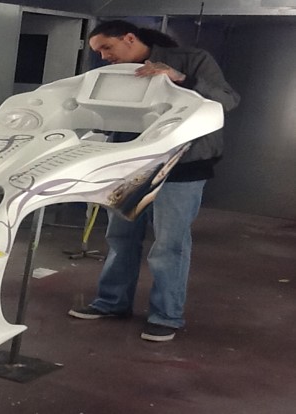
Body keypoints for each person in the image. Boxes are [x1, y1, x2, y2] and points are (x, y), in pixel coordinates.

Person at [67, 20, 240, 342]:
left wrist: (180, 78)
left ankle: (166, 316)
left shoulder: (191, 59)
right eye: (98, 51)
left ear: (129, 38)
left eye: (107, 48)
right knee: (120, 238)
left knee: (169, 244)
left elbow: (228, 100)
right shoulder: (113, 73)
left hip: (183, 164)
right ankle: (112, 302)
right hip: (131, 164)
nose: (103, 56)